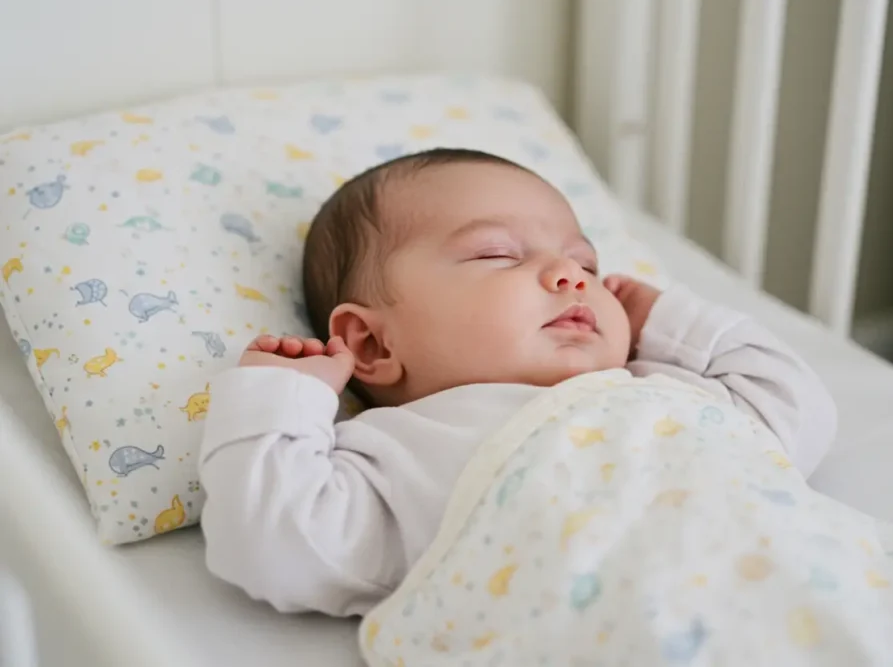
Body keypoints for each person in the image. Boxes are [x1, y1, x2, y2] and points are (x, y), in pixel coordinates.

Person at [198, 148, 837, 618]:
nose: (570, 273)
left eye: (586, 261)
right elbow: (275, 546)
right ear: (373, 342)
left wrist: (670, 321)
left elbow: (797, 412)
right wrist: (280, 402)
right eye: (497, 253)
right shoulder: (403, 454)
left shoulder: (662, 387)